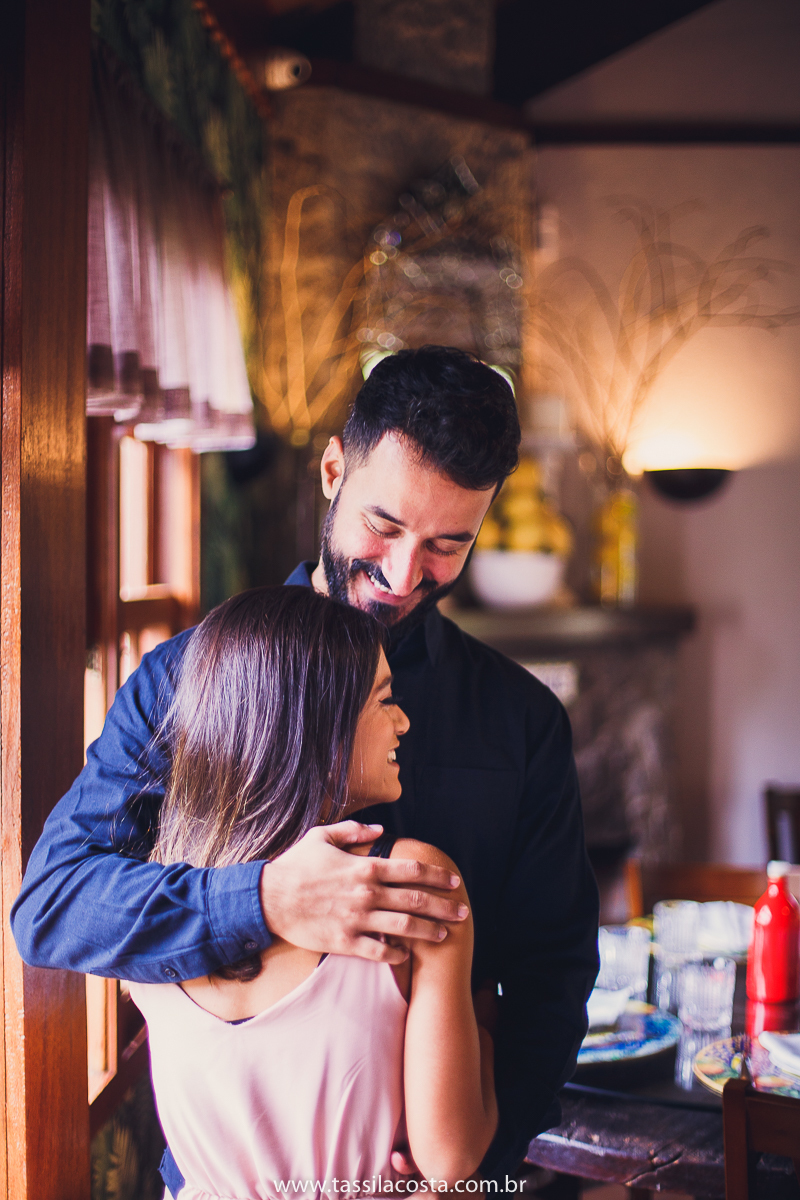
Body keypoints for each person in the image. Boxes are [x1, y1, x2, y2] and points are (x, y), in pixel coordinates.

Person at [11, 345, 598, 1189]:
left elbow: (553, 977)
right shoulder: (184, 683)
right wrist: (262, 900)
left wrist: (471, 1174)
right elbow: (54, 906)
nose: (403, 576)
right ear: (333, 469)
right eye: (384, 526)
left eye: (446, 544)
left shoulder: (521, 723)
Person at [132, 584, 497, 1198]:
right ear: (317, 726)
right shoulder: (410, 886)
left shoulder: (152, 901)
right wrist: (484, 1039)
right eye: (383, 699)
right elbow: (449, 1159)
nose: (402, 720)